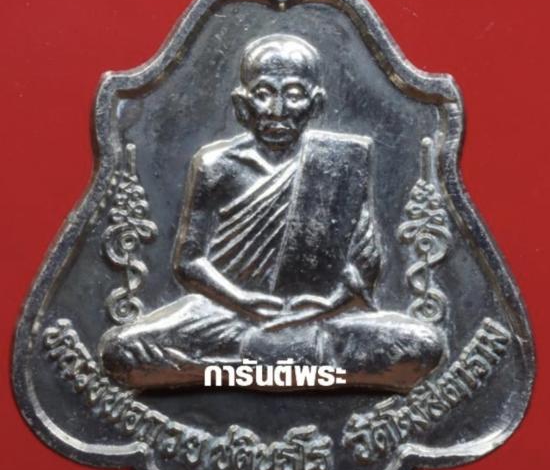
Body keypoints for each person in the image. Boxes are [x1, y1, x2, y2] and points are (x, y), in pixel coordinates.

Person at [100, 34, 444, 390]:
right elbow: (188, 262)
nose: (277, 110)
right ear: (242, 103)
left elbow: (364, 265)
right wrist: (243, 301)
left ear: (315, 104)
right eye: (264, 93)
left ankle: (221, 372)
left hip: (319, 317)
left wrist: (329, 304)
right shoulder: (216, 165)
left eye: (293, 94)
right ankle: (309, 371)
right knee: (122, 351)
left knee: (422, 344)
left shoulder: (340, 163)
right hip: (226, 315)